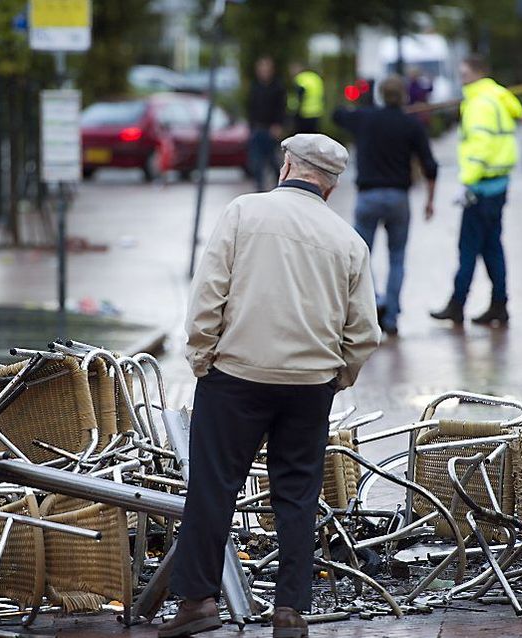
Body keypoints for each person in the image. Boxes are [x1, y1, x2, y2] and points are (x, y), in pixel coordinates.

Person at [159, 134, 380, 638]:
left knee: (213, 486)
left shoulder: (244, 213)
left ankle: (197, 602)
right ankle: (290, 612)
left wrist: (202, 357)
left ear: (287, 166)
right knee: (297, 495)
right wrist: (334, 377)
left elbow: (209, 293)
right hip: (309, 385)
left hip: (236, 375)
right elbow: (364, 331)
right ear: (331, 184)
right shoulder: (349, 240)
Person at [334, 75, 438, 337]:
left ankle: (372, 306)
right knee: (397, 257)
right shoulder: (410, 124)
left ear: (381, 95)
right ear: (403, 96)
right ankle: (391, 315)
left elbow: (337, 115)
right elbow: (430, 165)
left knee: (361, 257)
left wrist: (355, 101)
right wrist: (430, 201)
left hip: (368, 197)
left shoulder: (365, 119)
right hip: (398, 198)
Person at [430, 54, 522, 326]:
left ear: (478, 73)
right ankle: (499, 304)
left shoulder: (480, 104)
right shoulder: (497, 97)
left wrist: (467, 183)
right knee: (493, 247)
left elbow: (480, 146)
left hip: (481, 188)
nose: (462, 79)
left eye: (465, 73)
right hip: (498, 185)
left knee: (468, 248)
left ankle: (457, 304)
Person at [246, 56, 286, 191]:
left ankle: (278, 187)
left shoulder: (278, 88)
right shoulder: (255, 87)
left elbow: (281, 108)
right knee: (257, 163)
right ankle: (259, 189)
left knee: (273, 161)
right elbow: (251, 108)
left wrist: (278, 125)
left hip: (270, 129)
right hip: (257, 128)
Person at [288, 62, 325, 134]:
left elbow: (299, 96)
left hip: (303, 115)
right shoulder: (316, 78)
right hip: (316, 113)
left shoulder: (300, 78)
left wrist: (293, 112)